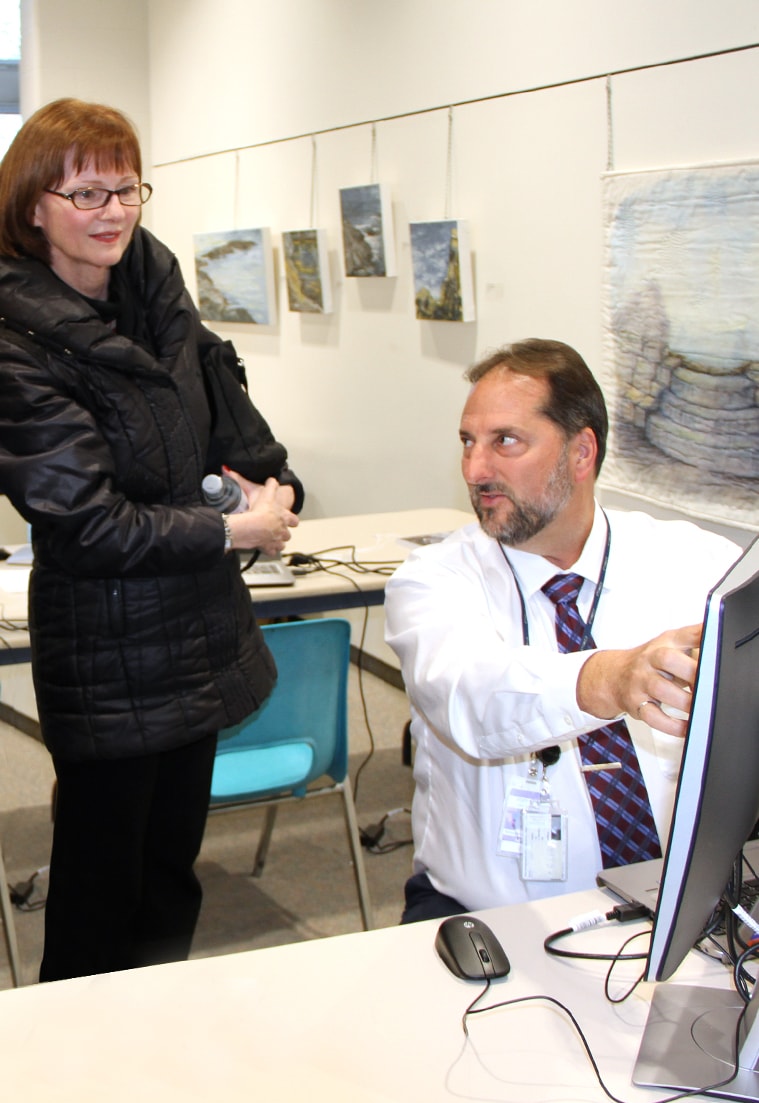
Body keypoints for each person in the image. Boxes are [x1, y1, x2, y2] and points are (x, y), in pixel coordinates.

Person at [0, 98, 304, 980]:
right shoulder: (16, 343)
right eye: (86, 193)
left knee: (172, 881)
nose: (114, 212)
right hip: (107, 651)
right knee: (101, 898)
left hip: (197, 634)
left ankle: (157, 1047)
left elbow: (232, 427)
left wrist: (266, 482)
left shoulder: (160, 301)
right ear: (33, 208)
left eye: (125, 188)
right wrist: (227, 526)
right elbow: (86, 523)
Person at [384, 338, 741, 923]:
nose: (476, 470)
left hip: (679, 898)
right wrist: (611, 678)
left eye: (506, 441)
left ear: (581, 453)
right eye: (468, 443)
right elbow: (474, 697)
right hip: (492, 917)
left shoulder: (699, 565)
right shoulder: (431, 582)